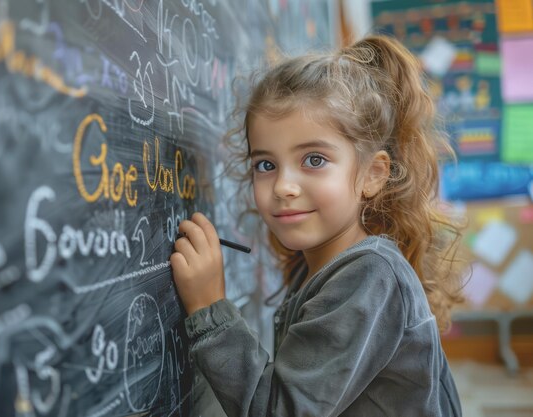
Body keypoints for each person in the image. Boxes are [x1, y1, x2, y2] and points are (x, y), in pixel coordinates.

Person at [170, 34, 465, 417]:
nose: (283, 187)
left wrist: (209, 309)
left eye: (313, 160)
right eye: (265, 165)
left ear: (372, 175)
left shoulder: (368, 275)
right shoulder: (323, 268)